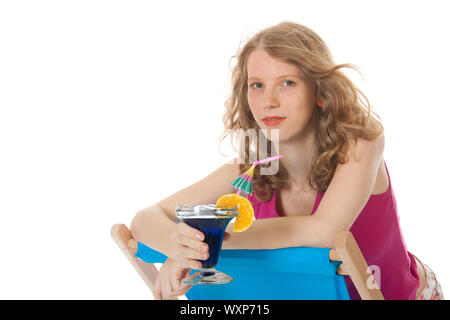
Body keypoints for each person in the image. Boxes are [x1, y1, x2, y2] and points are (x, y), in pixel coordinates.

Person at [130, 21, 444, 300]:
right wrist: (178, 246)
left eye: (288, 83)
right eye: (257, 85)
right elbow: (145, 219)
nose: (268, 101)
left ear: (320, 91)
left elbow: (325, 230)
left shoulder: (361, 144)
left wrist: (207, 247)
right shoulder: (249, 170)